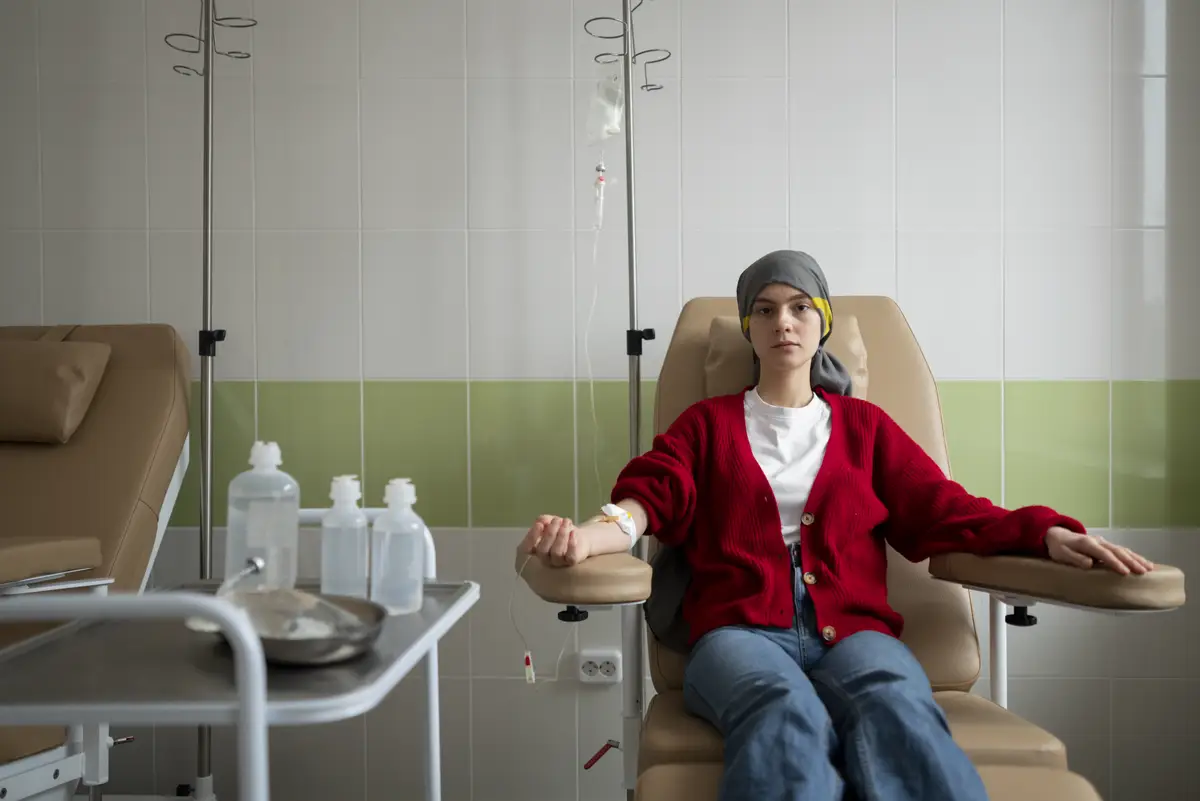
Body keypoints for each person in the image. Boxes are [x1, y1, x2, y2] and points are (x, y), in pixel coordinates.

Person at [518, 250, 1154, 801]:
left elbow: (946, 510)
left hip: (855, 633)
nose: (782, 322)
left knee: (897, 706)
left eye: (798, 306)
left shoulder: (865, 428)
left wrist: (1046, 533)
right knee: (782, 711)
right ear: (748, 327)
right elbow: (645, 502)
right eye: (764, 310)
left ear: (821, 320)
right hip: (738, 633)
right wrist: (585, 537)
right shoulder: (707, 425)